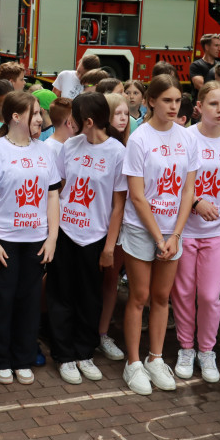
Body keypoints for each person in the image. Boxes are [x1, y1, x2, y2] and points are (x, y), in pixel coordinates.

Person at [118, 74, 199, 396]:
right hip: (141, 229)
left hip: (173, 231)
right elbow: (136, 196)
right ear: (151, 101)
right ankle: (133, 363)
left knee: (162, 297)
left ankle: (155, 357)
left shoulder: (187, 137)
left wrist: (176, 235)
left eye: (177, 101)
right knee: (138, 296)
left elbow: (189, 189)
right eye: (167, 100)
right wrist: (158, 236)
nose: (173, 106)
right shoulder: (139, 139)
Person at [46, 92, 126, 384]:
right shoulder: (70, 146)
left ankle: (84, 352)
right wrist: (52, 231)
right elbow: (60, 187)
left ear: (89, 121)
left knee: (89, 298)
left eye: (75, 119)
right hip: (66, 233)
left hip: (95, 238)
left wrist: (108, 247)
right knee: (61, 295)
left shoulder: (117, 152)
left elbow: (118, 205)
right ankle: (64, 355)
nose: (70, 123)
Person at [171, 81, 220, 383]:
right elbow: (172, 185)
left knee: (210, 295)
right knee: (185, 292)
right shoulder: (185, 139)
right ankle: (186, 348)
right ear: (199, 107)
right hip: (185, 230)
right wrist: (196, 204)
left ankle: (207, 350)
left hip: (217, 233)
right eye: (214, 104)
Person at [0, 91, 60, 386]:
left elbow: (53, 196)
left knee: (29, 301)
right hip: (5, 240)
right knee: (2, 300)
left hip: (37, 240)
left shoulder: (45, 151)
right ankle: (0, 359)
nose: (41, 118)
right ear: (16, 117)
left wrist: (52, 238)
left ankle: (23, 356)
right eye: (36, 113)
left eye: (40, 113)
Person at [97, 92, 131, 360]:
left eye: (126, 113)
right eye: (117, 113)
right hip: (92, 223)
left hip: (119, 227)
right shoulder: (94, 145)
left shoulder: (129, 146)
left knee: (111, 281)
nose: (123, 117)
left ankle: (102, 333)